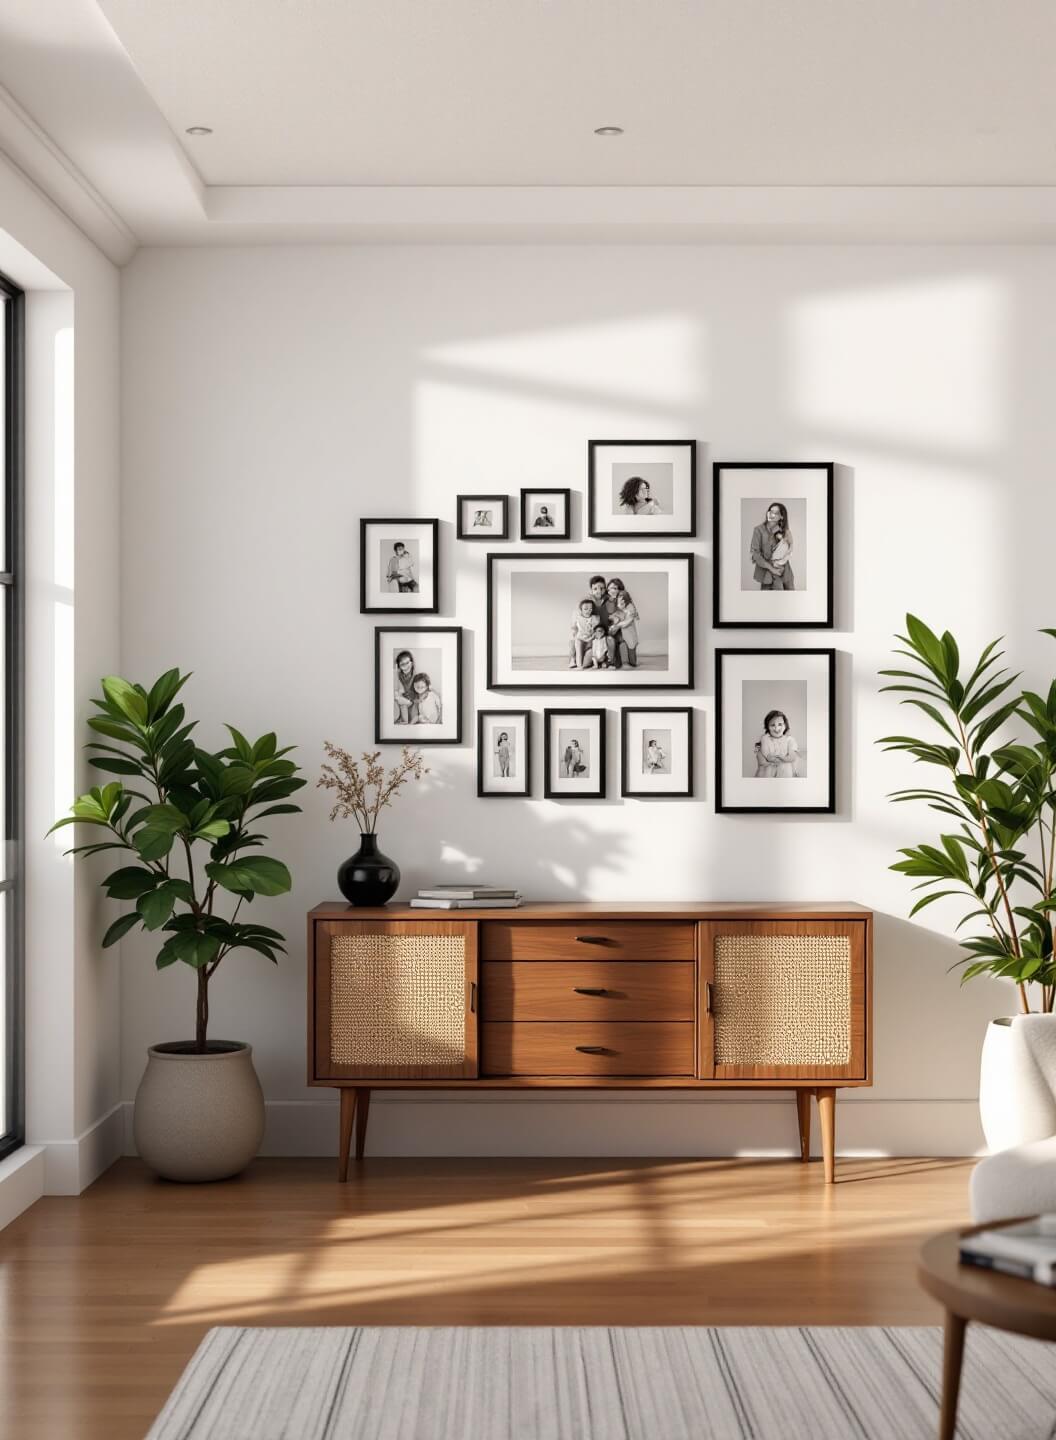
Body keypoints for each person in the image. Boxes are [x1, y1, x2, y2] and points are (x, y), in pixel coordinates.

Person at [749, 503, 794, 591]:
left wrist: (782, 562)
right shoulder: (758, 530)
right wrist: (772, 569)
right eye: (771, 511)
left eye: (776, 513)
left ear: (782, 517)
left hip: (785, 573)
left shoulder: (785, 531)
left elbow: (789, 550)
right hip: (768, 575)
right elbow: (755, 555)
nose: (772, 514)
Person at [754, 709, 800, 777]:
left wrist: (782, 758)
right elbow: (760, 756)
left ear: (785, 726)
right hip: (767, 773)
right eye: (772, 725)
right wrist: (767, 761)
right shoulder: (764, 739)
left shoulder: (789, 740)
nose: (776, 728)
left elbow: (793, 757)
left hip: (785, 773)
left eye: (780, 724)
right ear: (767, 727)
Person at [607, 584, 639, 667]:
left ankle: (633, 662)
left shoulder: (630, 608)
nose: (621, 603)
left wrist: (617, 625)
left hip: (629, 633)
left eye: (623, 601)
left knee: (631, 648)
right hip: (621, 633)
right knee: (616, 644)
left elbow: (627, 621)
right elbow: (615, 616)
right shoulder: (618, 608)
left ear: (627, 601)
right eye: (619, 601)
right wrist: (613, 618)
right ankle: (616, 661)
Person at [570, 597, 598, 669]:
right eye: (585, 609)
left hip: (591, 639)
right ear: (581, 610)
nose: (588, 611)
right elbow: (574, 628)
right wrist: (575, 634)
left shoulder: (595, 618)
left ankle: (584, 664)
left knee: (587, 659)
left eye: (590, 609)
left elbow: (596, 629)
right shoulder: (578, 618)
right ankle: (578, 664)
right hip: (580, 638)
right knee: (577, 643)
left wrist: (592, 636)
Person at [393, 649, 416, 724]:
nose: (406, 666)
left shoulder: (416, 676)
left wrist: (410, 702)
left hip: (412, 703)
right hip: (401, 702)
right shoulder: (398, 675)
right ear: (399, 666)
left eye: (407, 663)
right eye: (402, 664)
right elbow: (397, 689)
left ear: (412, 663)